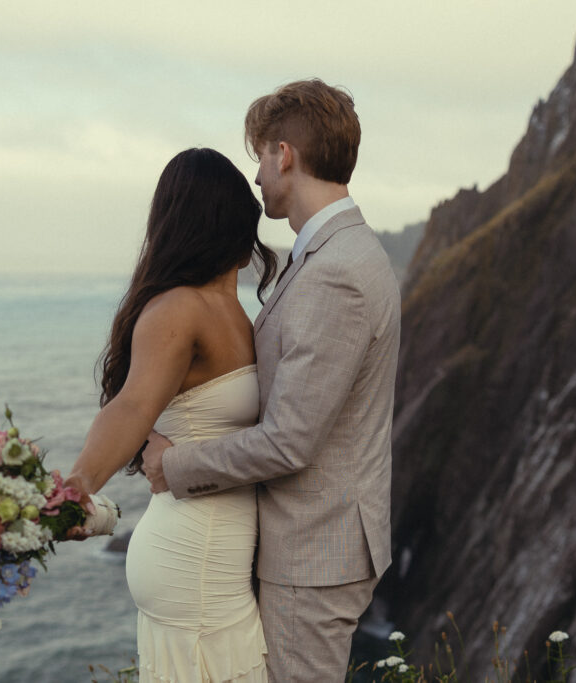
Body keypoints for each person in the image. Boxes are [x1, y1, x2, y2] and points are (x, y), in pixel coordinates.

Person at [141, 79, 401, 682]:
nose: (257, 178)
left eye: (260, 156)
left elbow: (291, 441)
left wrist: (175, 464)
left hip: (316, 551)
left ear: (285, 154)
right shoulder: (328, 254)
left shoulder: (336, 271)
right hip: (315, 542)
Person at [64, 147, 278, 682]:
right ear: (227, 218)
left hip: (212, 564)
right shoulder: (180, 308)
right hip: (194, 563)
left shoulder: (232, 309)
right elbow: (133, 405)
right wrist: (80, 483)